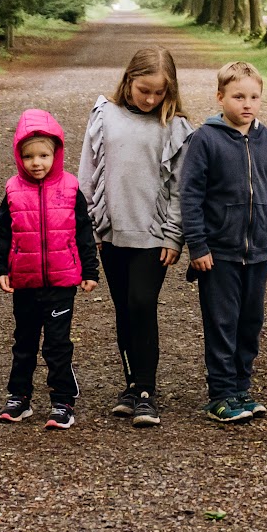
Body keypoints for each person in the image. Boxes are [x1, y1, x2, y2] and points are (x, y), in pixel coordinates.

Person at [80, 45, 191, 427]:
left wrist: (174, 235)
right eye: (144, 90)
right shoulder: (104, 115)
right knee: (124, 308)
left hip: (153, 234)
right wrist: (89, 226)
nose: (150, 99)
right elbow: (88, 172)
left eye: (159, 92)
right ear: (128, 80)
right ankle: (130, 386)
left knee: (142, 302)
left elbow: (180, 188)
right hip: (111, 231)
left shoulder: (175, 127)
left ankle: (146, 391)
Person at [179, 60, 267, 426]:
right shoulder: (205, 139)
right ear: (220, 98)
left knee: (250, 321)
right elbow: (190, 195)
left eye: (254, 97)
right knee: (222, 322)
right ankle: (221, 393)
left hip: (259, 251)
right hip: (219, 253)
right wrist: (198, 246)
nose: (247, 104)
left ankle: (242, 387)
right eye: (238, 96)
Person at [0, 109, 100, 429]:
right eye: (28, 156)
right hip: (25, 282)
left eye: (43, 155)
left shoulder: (70, 188)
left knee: (56, 344)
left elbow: (84, 232)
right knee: (24, 342)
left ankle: (63, 400)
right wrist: (0, 268)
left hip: (61, 283)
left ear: (56, 154)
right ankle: (19, 397)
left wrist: (90, 271)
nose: (36, 163)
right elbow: (3, 233)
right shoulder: (13, 190)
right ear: (19, 157)